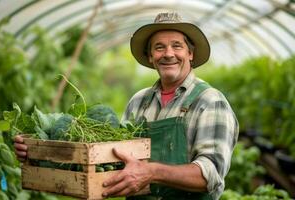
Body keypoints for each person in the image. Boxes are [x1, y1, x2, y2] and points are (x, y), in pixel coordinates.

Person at [14, 12, 239, 200]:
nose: (168, 53)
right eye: (159, 47)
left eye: (177, 46)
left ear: (190, 53)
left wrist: (151, 172)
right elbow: (112, 158)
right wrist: (40, 153)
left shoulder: (210, 101)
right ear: (150, 56)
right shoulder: (139, 101)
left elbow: (211, 174)